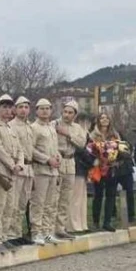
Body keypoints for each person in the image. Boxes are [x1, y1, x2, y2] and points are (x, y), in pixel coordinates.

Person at [0, 95, 19, 251]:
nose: (7, 110)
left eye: (9, 107)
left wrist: (19, 164)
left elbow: (18, 148)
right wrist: (13, 165)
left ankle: (4, 236)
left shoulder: (10, 127)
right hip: (0, 172)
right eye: (4, 107)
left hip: (12, 172)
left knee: (9, 206)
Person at [52, 101, 87, 240]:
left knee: (66, 198)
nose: (66, 115)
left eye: (70, 112)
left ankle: (60, 228)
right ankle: (49, 229)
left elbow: (81, 144)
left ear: (75, 115)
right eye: (65, 112)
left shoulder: (77, 128)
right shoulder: (54, 124)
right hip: (58, 160)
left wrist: (67, 134)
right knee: (54, 197)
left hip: (71, 162)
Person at [29, 99, 62, 245]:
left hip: (53, 171)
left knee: (51, 203)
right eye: (41, 109)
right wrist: (46, 159)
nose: (45, 111)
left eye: (47, 108)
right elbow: (31, 149)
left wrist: (58, 157)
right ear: (36, 110)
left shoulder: (51, 127)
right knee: (38, 203)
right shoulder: (34, 128)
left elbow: (55, 147)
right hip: (40, 170)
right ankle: (36, 232)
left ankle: (48, 231)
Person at [7, 97, 35, 244]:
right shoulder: (11, 126)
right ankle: (11, 234)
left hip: (30, 168)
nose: (23, 109)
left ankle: (17, 232)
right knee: (14, 202)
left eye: (26, 107)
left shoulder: (30, 126)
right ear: (15, 109)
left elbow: (32, 149)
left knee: (23, 203)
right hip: (18, 168)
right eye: (20, 107)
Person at [89, 113, 120, 232]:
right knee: (98, 195)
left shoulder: (115, 134)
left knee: (111, 195)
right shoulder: (93, 134)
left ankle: (107, 221)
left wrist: (117, 160)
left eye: (107, 118)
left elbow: (120, 148)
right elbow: (90, 150)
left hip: (112, 168)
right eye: (102, 118)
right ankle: (96, 221)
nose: (105, 120)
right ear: (98, 121)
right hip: (99, 168)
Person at [71, 129, 93, 234]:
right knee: (75, 199)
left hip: (83, 170)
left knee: (82, 199)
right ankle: (74, 225)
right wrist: (92, 159)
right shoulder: (74, 135)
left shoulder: (86, 136)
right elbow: (81, 150)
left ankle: (82, 223)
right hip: (77, 169)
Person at [114, 138, 136, 226]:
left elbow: (129, 149)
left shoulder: (122, 136)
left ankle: (131, 215)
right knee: (111, 193)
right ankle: (113, 214)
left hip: (126, 168)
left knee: (129, 192)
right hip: (112, 167)